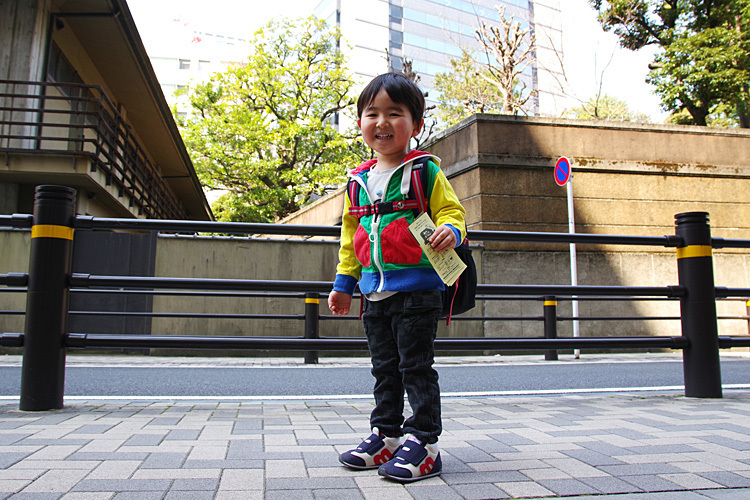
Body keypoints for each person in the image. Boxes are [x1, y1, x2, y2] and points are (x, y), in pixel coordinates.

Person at [328, 72, 466, 483]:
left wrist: (452, 231)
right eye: (372, 113)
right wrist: (343, 285)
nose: (382, 122)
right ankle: (385, 434)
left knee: (416, 367)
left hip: (419, 291)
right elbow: (350, 241)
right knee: (384, 368)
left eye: (395, 113)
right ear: (360, 124)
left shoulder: (425, 173)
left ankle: (424, 443)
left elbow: (452, 212)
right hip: (374, 293)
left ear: (416, 125)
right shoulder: (357, 184)